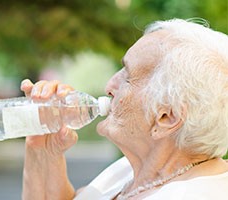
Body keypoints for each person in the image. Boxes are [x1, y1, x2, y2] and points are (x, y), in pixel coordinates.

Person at [20, 18, 228, 200]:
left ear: (166, 117)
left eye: (128, 77)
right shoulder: (133, 170)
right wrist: (44, 150)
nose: (110, 86)